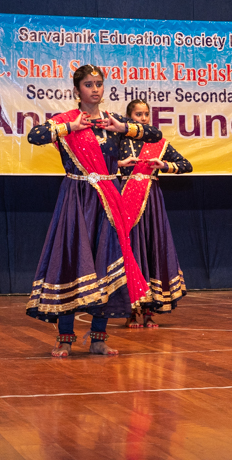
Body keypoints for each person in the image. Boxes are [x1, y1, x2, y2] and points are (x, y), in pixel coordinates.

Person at [26, 64, 162, 357]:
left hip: (109, 203)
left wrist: (124, 128)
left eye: (99, 84)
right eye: (88, 84)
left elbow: (154, 135)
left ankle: (99, 337)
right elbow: (34, 136)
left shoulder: (113, 122)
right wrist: (68, 128)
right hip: (76, 199)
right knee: (73, 262)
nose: (95, 89)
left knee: (107, 264)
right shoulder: (66, 120)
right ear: (77, 90)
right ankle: (64, 337)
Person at [118, 99, 192, 329]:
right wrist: (121, 164)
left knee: (151, 250)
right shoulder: (118, 141)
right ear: (128, 117)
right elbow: (101, 165)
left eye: (146, 114)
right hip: (125, 199)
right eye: (138, 114)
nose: (142, 118)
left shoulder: (158, 142)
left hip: (151, 203)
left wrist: (164, 165)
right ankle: (130, 311)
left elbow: (186, 165)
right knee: (130, 251)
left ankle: (150, 312)